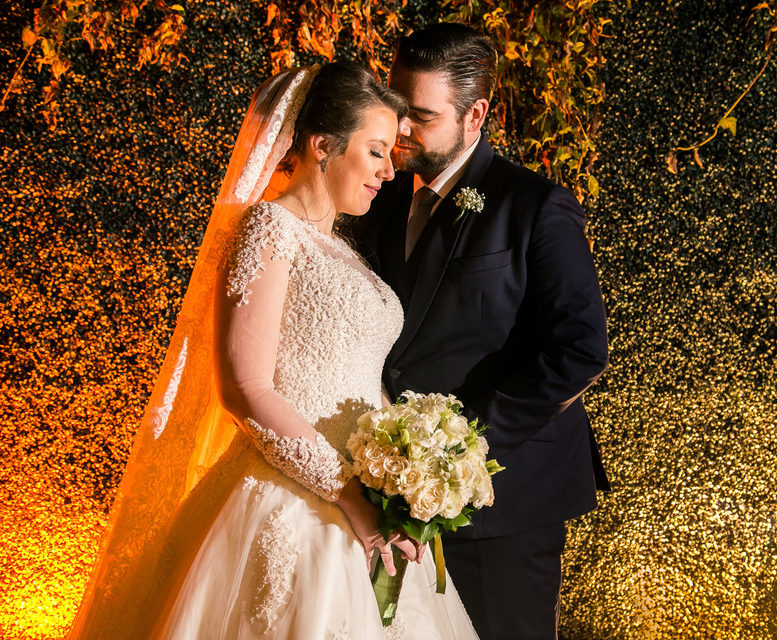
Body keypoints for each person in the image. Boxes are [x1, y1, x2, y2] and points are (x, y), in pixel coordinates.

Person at [68, 62, 478, 639]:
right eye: (377, 151)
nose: (390, 171)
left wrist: (412, 465)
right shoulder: (268, 228)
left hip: (363, 497)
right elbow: (245, 387)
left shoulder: (342, 251)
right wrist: (350, 499)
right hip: (291, 501)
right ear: (321, 146)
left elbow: (357, 374)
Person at [344, 23, 610, 640]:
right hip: (393, 495)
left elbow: (579, 349)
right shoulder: (377, 198)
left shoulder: (537, 207)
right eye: (397, 107)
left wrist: (462, 453)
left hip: (506, 502)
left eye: (423, 116)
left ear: (476, 115)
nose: (401, 130)